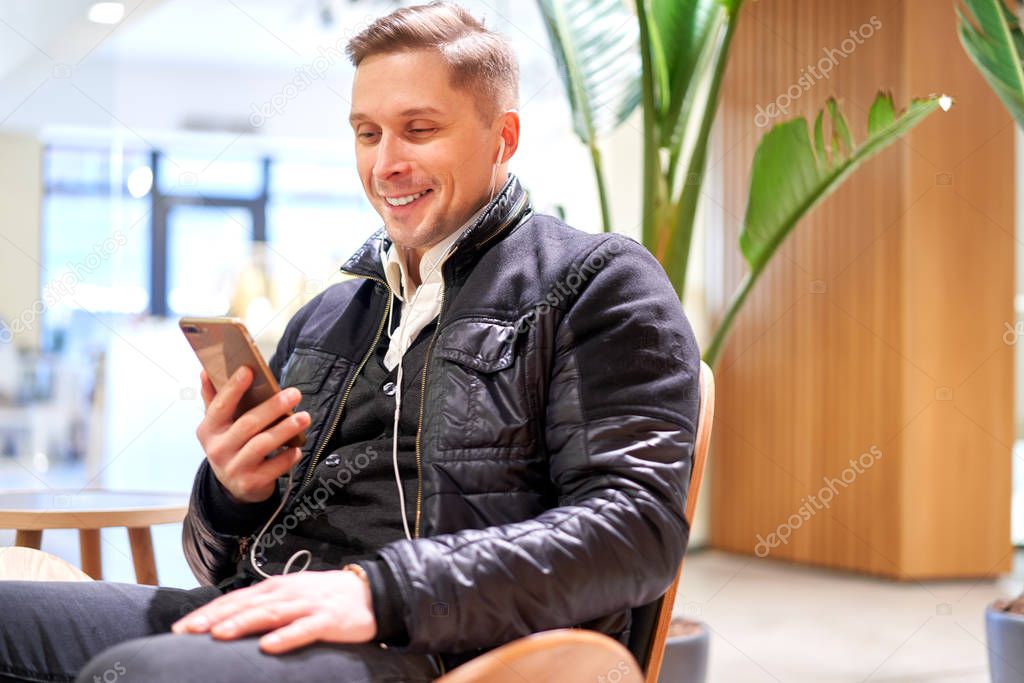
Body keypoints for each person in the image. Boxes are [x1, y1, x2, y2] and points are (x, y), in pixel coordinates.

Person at [0, 3, 700, 682]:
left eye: (418, 129)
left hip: (442, 646)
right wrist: (231, 493)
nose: (386, 163)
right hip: (271, 610)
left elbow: (634, 532)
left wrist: (380, 591)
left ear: (502, 138)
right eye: (368, 134)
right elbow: (218, 564)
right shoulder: (329, 316)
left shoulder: (596, 283)